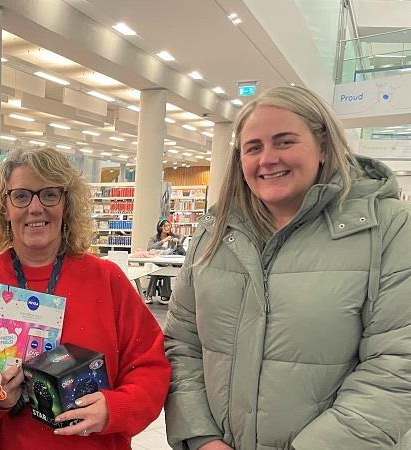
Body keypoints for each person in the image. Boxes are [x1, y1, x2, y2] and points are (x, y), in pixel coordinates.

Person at [164, 86, 411, 450]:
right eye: (253, 147)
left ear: (323, 145)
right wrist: (202, 438)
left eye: (284, 142)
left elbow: (397, 364)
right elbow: (182, 343)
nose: (267, 159)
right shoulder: (214, 231)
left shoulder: (387, 227)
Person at [0, 147, 171, 450]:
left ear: (66, 203)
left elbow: (151, 366)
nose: (35, 208)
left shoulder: (107, 280)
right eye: (21, 196)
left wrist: (114, 408)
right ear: (5, 208)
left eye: (49, 194)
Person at [144, 219, 183, 304]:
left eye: (169, 226)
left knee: (165, 269)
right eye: (166, 226)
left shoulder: (174, 237)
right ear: (160, 227)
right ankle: (154, 295)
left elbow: (182, 252)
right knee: (156, 270)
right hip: (156, 261)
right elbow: (149, 248)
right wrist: (163, 241)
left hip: (168, 262)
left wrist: (178, 243)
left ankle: (155, 294)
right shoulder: (154, 238)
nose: (168, 227)